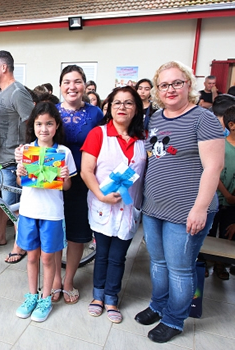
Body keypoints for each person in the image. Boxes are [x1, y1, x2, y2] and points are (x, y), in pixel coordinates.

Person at [135, 61, 224, 343]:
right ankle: (158, 305)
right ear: (157, 91)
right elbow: (154, 157)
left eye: (177, 83)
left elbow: (213, 167)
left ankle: (174, 319)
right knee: (158, 263)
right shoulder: (157, 118)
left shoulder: (203, 118)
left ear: (189, 85)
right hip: (154, 206)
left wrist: (199, 208)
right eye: (164, 85)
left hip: (186, 210)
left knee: (180, 268)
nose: (170, 89)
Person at [80, 86, 146, 324]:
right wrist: (101, 195)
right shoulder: (99, 134)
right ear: (109, 107)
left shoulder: (143, 139)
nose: (122, 108)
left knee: (119, 257)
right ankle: (97, 297)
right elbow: (86, 171)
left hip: (129, 209)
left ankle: (111, 298)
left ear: (136, 108)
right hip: (103, 205)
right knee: (103, 254)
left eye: (128, 103)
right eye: (117, 103)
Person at [14, 101, 75, 322]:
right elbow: (22, 182)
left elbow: (66, 187)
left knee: (48, 258)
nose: (44, 129)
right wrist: (20, 170)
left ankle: (46, 298)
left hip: (52, 213)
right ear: (33, 125)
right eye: (39, 124)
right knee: (31, 256)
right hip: (29, 211)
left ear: (56, 125)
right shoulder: (26, 150)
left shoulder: (63, 152)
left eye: (49, 124)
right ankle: (31, 295)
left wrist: (65, 176)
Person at [54, 65, 104, 304]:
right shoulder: (51, 112)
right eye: (66, 82)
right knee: (54, 230)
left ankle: (68, 280)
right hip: (54, 181)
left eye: (77, 82)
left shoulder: (95, 114)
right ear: (60, 85)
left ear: (85, 85)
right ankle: (54, 279)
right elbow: (38, 138)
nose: (71, 87)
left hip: (83, 181)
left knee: (76, 233)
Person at [0, 50, 34, 264]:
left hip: (13, 161)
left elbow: (32, 122)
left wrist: (25, 152)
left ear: (4, 68)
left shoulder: (18, 92)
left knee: (15, 207)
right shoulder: (2, 92)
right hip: (0, 159)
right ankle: (1, 236)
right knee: (4, 203)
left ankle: (19, 246)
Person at [207, 104, 235, 280]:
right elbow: (212, 171)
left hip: (232, 202)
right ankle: (203, 262)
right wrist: (226, 194)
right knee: (209, 230)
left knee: (227, 233)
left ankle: (220, 265)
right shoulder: (220, 145)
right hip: (215, 196)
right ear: (231, 125)